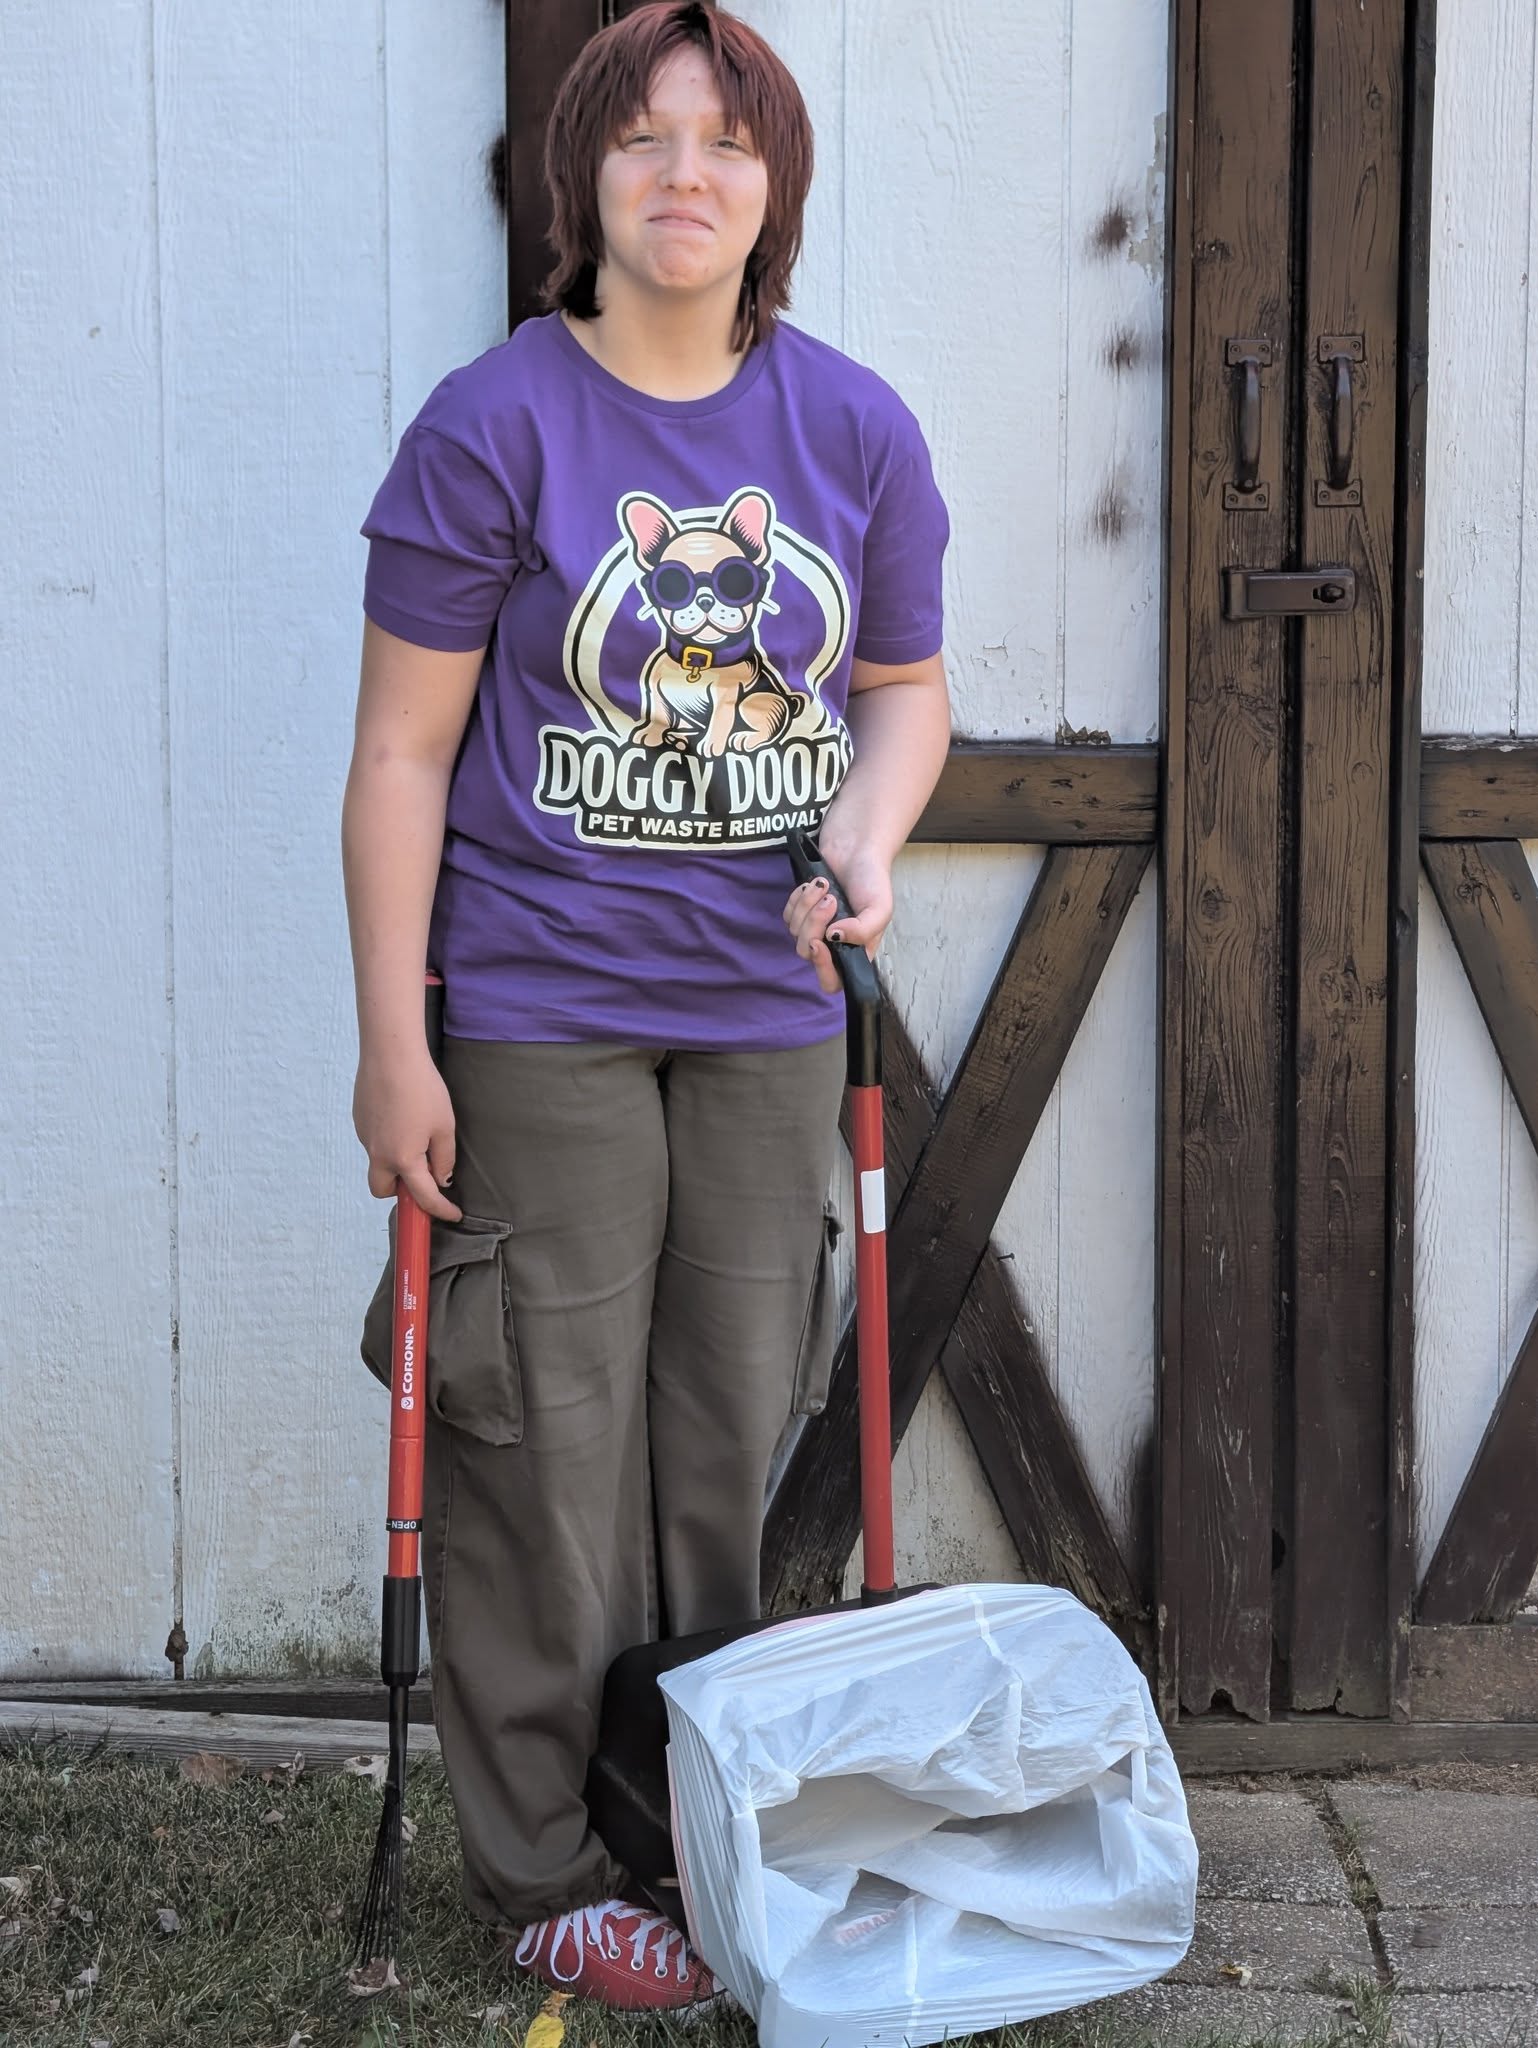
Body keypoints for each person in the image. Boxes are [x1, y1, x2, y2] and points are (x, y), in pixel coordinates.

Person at [342, 0, 950, 2013]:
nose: (687, 174)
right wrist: (394, 1041)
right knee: (544, 1437)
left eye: (731, 140)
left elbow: (903, 698)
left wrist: (869, 837)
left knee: (723, 1434)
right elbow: (405, 755)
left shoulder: (854, 431)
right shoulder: (494, 425)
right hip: (539, 1015)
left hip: (770, 1026)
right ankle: (542, 1869)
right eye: (645, 139)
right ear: (579, 177)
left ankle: (706, 1817)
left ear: (772, 188)